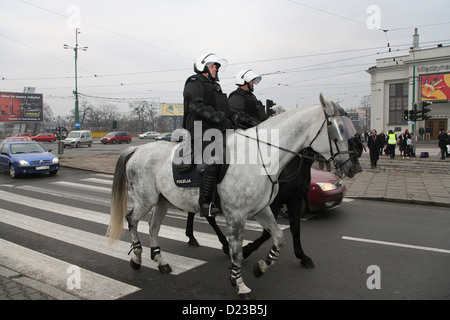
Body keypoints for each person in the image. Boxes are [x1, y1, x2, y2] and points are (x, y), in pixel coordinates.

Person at [182, 53, 233, 217]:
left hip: (216, 128)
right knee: (213, 160)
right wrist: (218, 117)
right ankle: (205, 203)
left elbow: (225, 110)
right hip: (199, 128)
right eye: (212, 66)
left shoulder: (215, 87)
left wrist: (235, 121)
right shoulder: (194, 82)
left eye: (216, 67)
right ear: (202, 66)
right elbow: (196, 105)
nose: (215, 69)